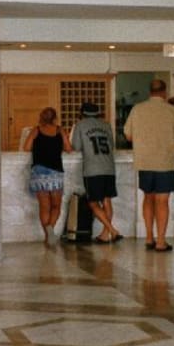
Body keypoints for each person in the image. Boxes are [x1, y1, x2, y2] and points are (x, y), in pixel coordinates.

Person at [123, 79, 174, 252]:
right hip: (164, 162)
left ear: (150, 92)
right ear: (164, 92)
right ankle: (161, 241)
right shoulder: (173, 110)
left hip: (144, 162)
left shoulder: (137, 109)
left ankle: (148, 237)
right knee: (162, 201)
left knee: (148, 198)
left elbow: (128, 135)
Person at [70, 102, 123, 243]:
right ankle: (105, 235)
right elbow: (111, 145)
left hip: (92, 169)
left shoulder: (80, 125)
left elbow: (76, 146)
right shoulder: (106, 125)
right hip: (109, 168)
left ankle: (112, 230)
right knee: (107, 200)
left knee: (93, 203)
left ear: (82, 113)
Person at [22, 107, 72, 244]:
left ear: (41, 117)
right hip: (56, 172)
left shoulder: (36, 130)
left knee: (45, 207)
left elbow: (26, 148)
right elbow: (68, 148)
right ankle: (50, 231)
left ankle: (47, 236)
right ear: (55, 118)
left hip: (39, 172)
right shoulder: (60, 130)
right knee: (56, 206)